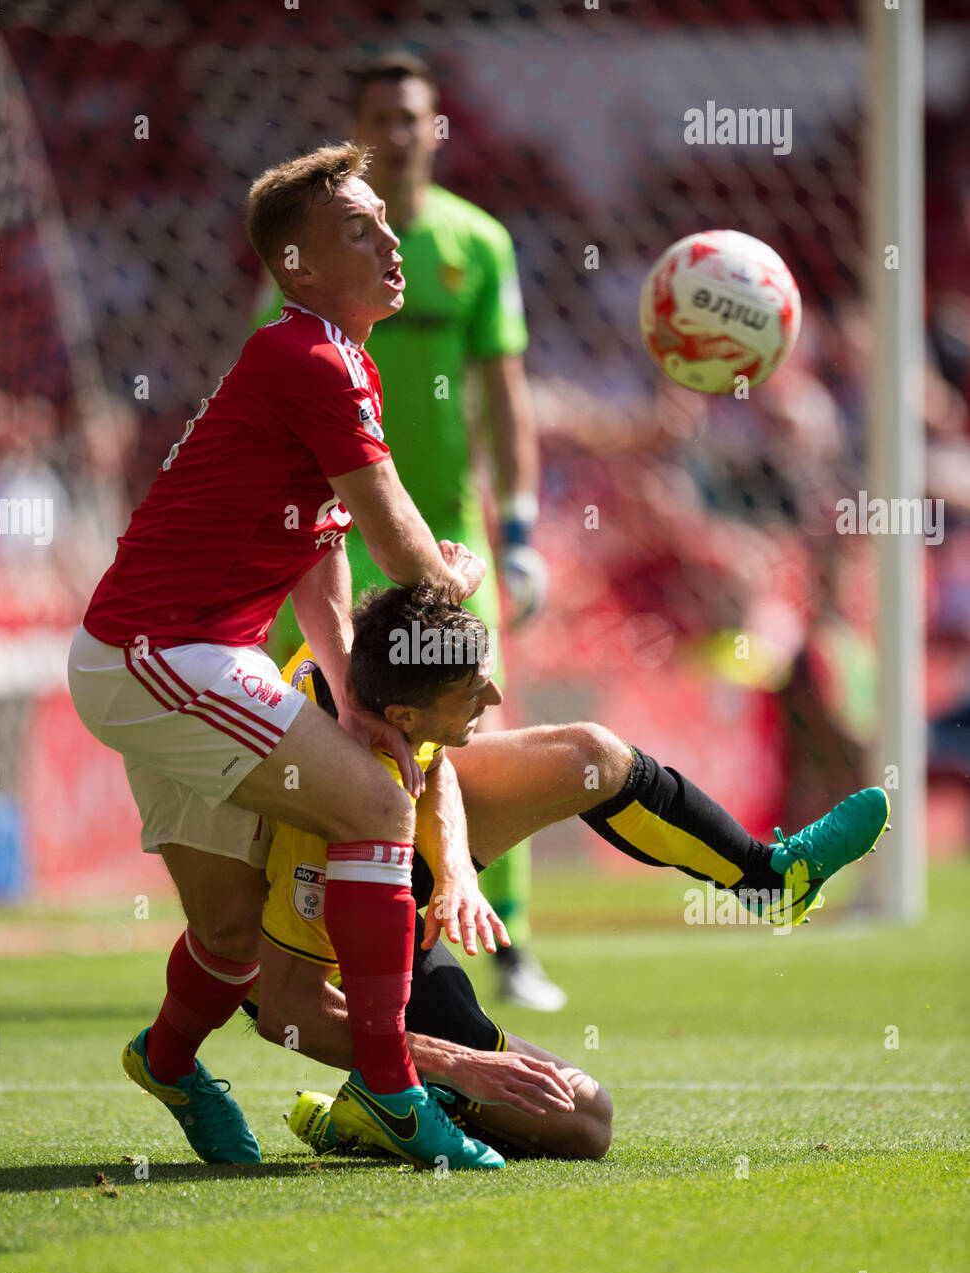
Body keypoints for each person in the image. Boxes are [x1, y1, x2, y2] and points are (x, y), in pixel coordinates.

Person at [67, 143, 519, 1173]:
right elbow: (401, 545)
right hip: (159, 653)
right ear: (297, 267)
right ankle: (395, 1094)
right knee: (376, 805)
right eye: (359, 229)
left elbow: (318, 558)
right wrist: (459, 574)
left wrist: (358, 696)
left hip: (177, 659)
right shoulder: (307, 358)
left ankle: (170, 1060)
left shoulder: (328, 360)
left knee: (228, 936)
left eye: (386, 223)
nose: (392, 238)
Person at [241, 581, 890, 1161]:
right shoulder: (324, 818)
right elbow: (286, 1005)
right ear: (401, 719)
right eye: (473, 691)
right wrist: (458, 1065)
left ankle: (768, 882)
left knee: (591, 757)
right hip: (328, 948)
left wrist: (458, 876)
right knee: (585, 1121)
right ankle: (381, 1106)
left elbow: (428, 759)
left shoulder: (371, 659)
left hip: (390, 859)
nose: (494, 696)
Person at [252, 53, 563, 1011]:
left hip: (448, 533)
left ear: (436, 127)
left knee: (465, 723)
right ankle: (287, 929)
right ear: (356, 127)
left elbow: (505, 397)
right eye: (379, 114)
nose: (398, 131)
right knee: (319, 716)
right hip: (340, 534)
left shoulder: (479, 243)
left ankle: (494, 939)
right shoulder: (319, 260)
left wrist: (517, 526)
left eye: (412, 114)